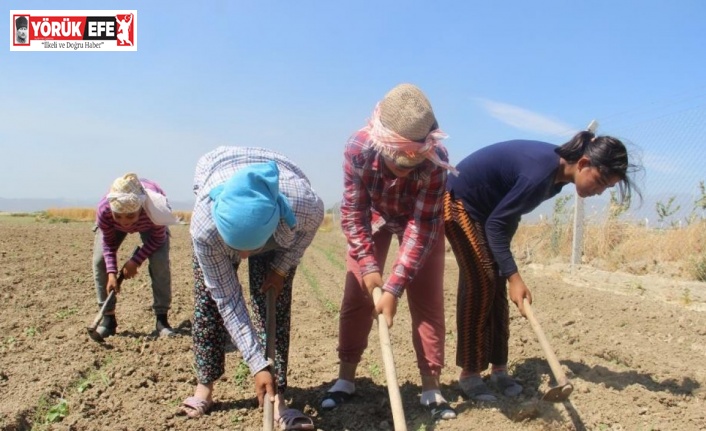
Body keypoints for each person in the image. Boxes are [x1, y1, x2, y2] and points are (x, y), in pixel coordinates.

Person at [443, 131, 641, 402]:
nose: (599, 192)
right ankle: (470, 374)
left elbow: (508, 215)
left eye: (607, 188)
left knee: (497, 280)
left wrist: (507, 270)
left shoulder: (556, 179)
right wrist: (515, 275)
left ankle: (499, 368)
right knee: (482, 280)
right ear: (583, 164)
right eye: (601, 182)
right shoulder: (539, 174)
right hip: (459, 202)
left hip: (490, 212)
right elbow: (496, 224)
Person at [321, 83, 458, 421]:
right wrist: (370, 270)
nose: (406, 166)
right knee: (356, 296)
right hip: (374, 217)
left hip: (418, 222)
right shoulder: (358, 148)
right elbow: (354, 214)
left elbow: (422, 227)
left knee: (427, 300)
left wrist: (395, 287)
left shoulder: (436, 163)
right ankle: (345, 379)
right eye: (398, 161)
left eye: (413, 163)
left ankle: (431, 388)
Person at [181, 147, 323, 430]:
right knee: (208, 303)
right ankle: (204, 387)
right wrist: (256, 363)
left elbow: (306, 232)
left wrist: (281, 267)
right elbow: (228, 299)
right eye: (237, 249)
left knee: (273, 302)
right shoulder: (204, 227)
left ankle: (277, 396)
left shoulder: (304, 206)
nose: (243, 257)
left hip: (278, 203)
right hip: (218, 173)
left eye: (251, 249)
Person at [92, 173, 179, 339]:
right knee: (99, 261)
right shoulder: (105, 210)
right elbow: (108, 245)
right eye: (119, 216)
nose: (125, 222)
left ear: (140, 208)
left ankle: (162, 320)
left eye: (130, 215)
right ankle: (108, 320)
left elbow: (158, 238)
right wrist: (111, 274)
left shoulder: (156, 209)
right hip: (118, 222)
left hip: (150, 222)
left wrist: (135, 261)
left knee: (159, 262)